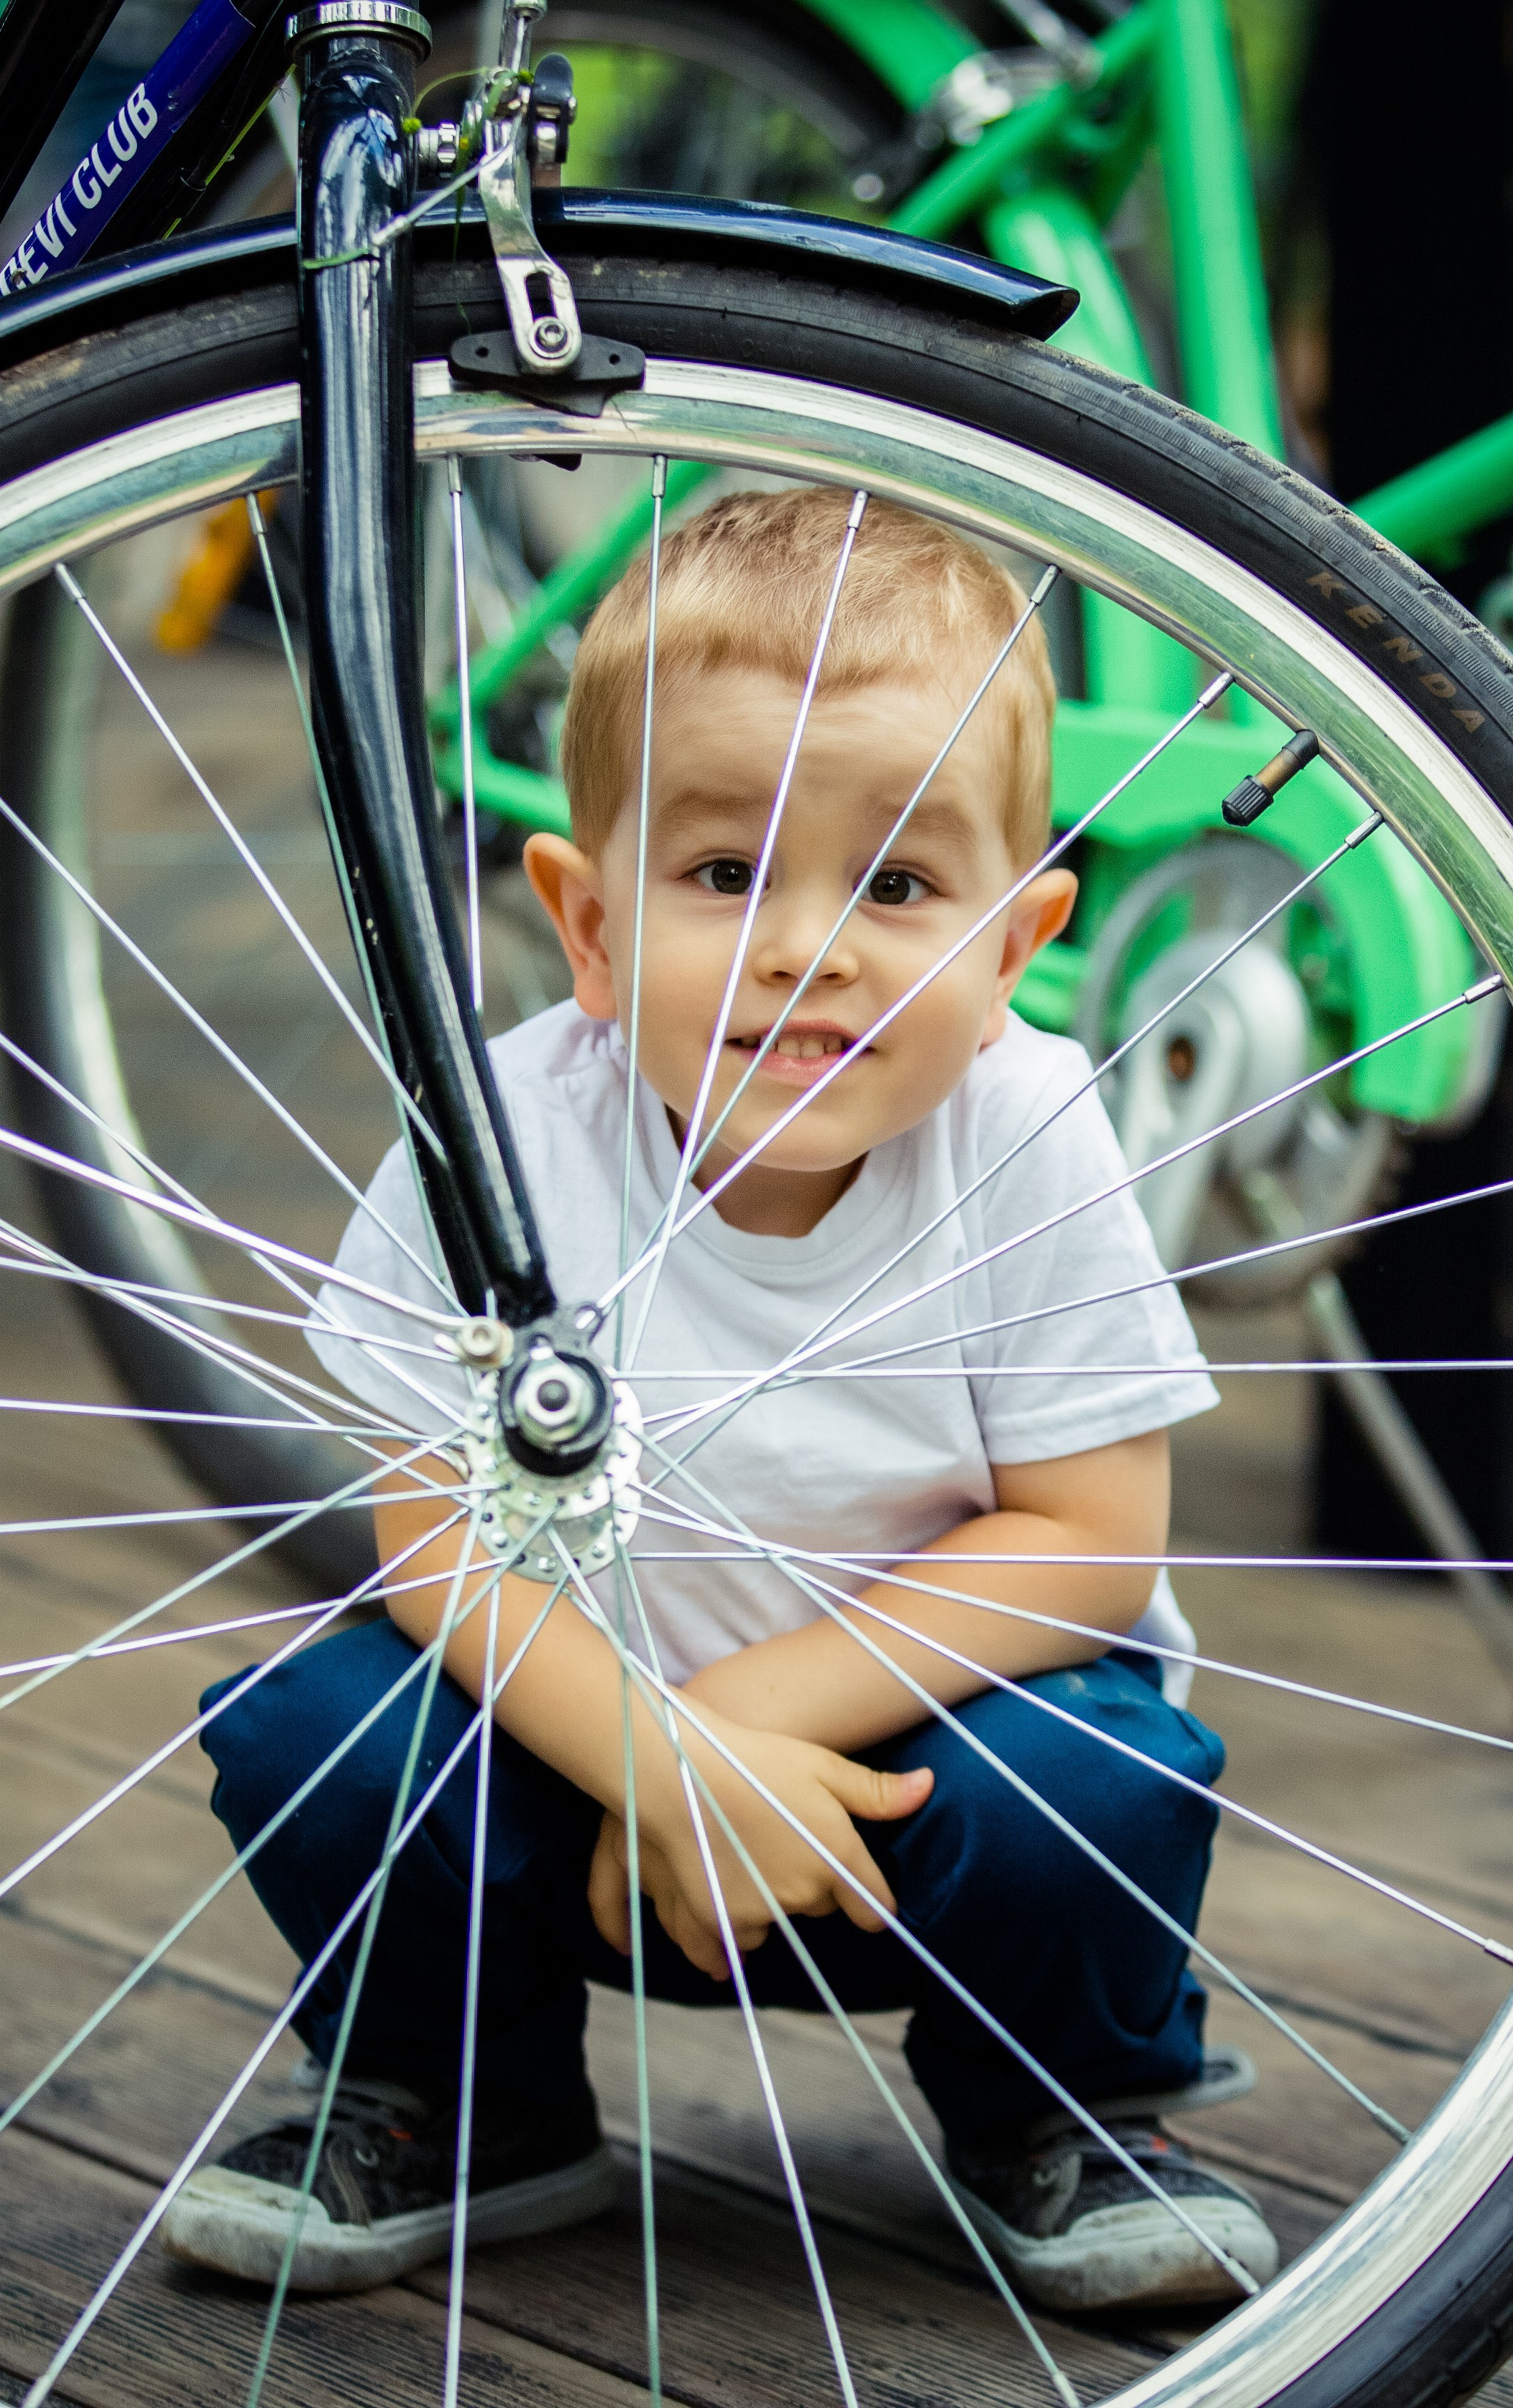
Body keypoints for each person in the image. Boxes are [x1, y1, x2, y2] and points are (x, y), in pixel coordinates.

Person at [162, 487, 1279, 2314]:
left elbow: (1087, 1538)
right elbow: (425, 1524)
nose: (805, 946)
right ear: (587, 925)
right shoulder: (507, 1133)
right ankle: (468, 2098)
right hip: (566, 1786)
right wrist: (645, 1755)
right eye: (724, 873)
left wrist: (736, 1732)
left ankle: (1060, 2105)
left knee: (1099, 1776)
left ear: (1014, 946)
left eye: (901, 884)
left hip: (911, 1787)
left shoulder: (1025, 1130)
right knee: (317, 1718)